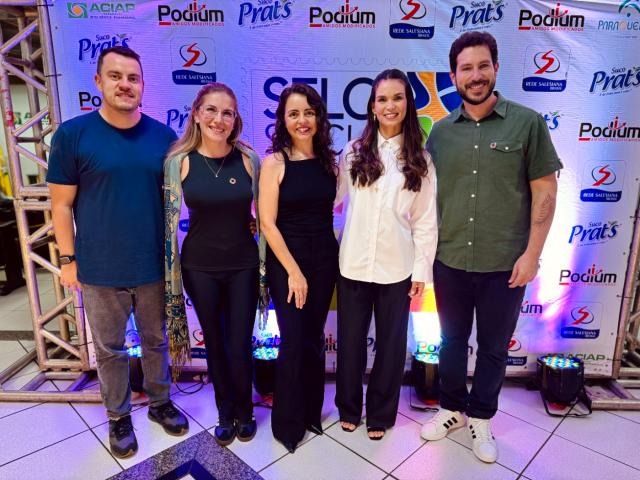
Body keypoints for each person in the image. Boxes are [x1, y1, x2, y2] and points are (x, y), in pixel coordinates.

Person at [420, 32, 561, 463]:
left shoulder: (527, 123)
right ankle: (451, 409)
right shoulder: (440, 133)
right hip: (450, 260)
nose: (475, 75)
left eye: (483, 66)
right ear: (454, 76)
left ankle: (481, 417)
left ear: (496, 68)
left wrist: (532, 255)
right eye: (466, 68)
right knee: (450, 340)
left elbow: (545, 192)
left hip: (506, 263)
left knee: (495, 347)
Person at [47, 46, 189, 459]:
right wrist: (68, 260)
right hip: (99, 267)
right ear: (98, 81)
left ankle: (160, 402)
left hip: (153, 265)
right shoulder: (73, 135)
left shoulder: (163, 138)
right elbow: (60, 205)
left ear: (142, 85)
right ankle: (118, 416)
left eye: (133, 78)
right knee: (109, 348)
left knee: (156, 340)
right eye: (115, 76)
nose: (125, 84)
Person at [335, 69, 437, 441]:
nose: (389, 105)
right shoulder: (353, 152)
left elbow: (425, 220)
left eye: (397, 98)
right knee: (350, 344)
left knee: (391, 347)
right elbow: (331, 199)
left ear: (408, 104)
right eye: (382, 99)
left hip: (398, 268)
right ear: (372, 107)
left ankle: (380, 413)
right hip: (352, 265)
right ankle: (349, 408)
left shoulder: (421, 160)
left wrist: (421, 271)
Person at [164, 82, 266, 446]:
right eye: (211, 110)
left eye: (227, 113)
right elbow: (168, 223)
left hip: (243, 265)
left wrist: (256, 228)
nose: (218, 119)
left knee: (239, 343)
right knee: (216, 344)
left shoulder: (249, 160)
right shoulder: (179, 162)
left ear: (235, 119)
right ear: (196, 114)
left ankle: (245, 410)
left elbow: (264, 216)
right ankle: (225, 412)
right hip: (199, 267)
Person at [259, 83, 338, 453]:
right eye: (294, 113)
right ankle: (287, 425)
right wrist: (293, 270)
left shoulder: (329, 162)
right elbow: (267, 223)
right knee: (292, 340)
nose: (302, 120)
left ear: (318, 117)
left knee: (313, 337)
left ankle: (310, 413)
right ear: (283, 120)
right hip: (287, 262)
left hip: (324, 259)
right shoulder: (274, 163)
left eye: (309, 112)